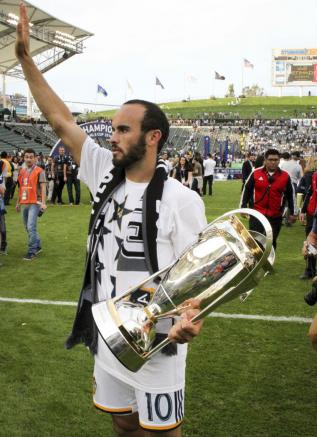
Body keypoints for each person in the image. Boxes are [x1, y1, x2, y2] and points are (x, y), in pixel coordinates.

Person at [16, 4, 205, 435]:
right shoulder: (104, 171)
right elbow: (60, 119)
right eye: (112, 129)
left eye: (123, 130)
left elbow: (199, 279)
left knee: (162, 433)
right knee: (122, 425)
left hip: (158, 343)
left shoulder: (181, 199)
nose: (111, 137)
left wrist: (190, 320)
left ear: (152, 137)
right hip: (107, 333)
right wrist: (27, 61)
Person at [240, 148, 296, 249]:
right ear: (265, 160)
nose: (273, 162)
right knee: (254, 241)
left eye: (276, 160)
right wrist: (243, 207)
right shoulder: (256, 173)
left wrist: (292, 212)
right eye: (270, 159)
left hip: (275, 216)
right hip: (256, 214)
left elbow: (290, 195)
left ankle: (269, 263)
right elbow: (247, 190)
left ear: (279, 160)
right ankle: (253, 263)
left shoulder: (285, 176)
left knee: (271, 242)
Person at [16, 148, 46, 260]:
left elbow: (43, 187)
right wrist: (18, 202)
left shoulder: (40, 171)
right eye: (26, 157)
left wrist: (43, 203)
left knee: (31, 226)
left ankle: (32, 251)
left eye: (31, 157)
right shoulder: (22, 171)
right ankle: (37, 245)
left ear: (35, 158)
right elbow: (21, 188)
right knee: (27, 227)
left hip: (35, 202)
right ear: (24, 158)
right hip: (25, 202)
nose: (28, 159)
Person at [297, 156, 317, 279]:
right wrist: (303, 211)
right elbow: (310, 192)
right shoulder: (314, 175)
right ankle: (310, 269)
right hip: (312, 213)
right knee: (310, 242)